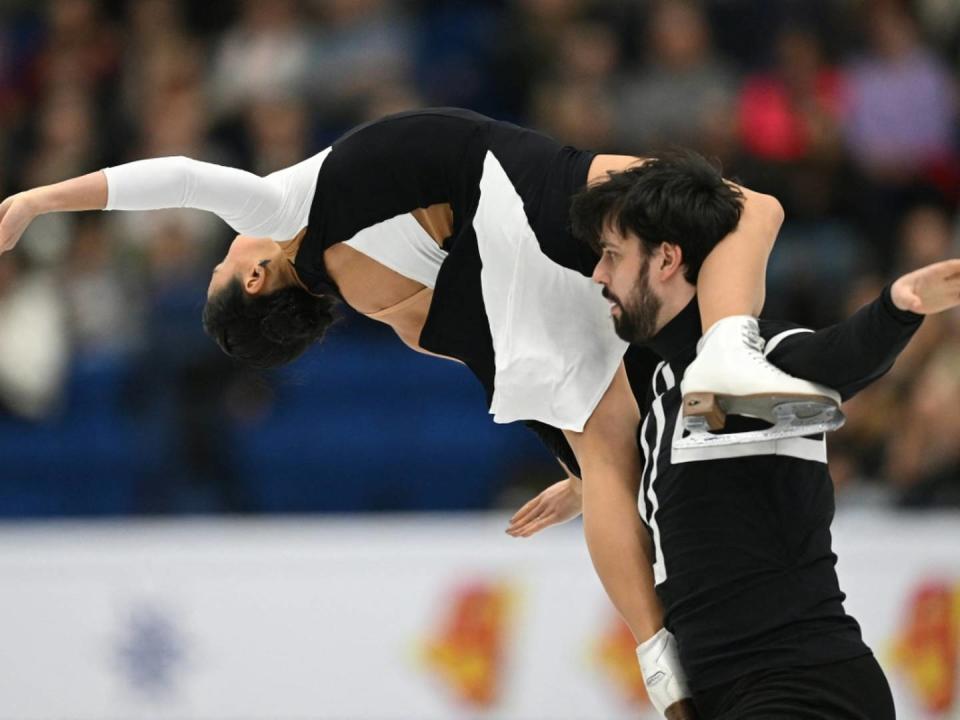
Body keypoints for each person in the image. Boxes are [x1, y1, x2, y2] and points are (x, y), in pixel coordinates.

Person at [0, 108, 825, 718]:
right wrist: (40, 199)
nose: (229, 243)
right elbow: (178, 176)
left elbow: (491, 346)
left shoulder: (391, 310)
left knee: (609, 454)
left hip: (494, 240)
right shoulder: (283, 211)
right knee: (744, 207)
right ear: (254, 281)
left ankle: (660, 665)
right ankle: (729, 351)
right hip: (511, 183)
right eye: (226, 260)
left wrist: (578, 472)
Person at [512, 149, 960, 718]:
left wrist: (897, 309)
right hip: (734, 697)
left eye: (611, 255)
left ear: (667, 259)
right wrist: (591, 487)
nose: (599, 275)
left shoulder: (747, 360)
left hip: (805, 688)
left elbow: (836, 357)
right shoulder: (660, 404)